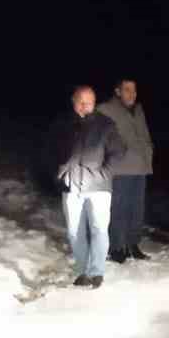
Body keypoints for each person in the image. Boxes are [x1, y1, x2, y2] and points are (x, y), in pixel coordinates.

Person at [53, 85, 124, 288]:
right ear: (73, 102)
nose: (85, 107)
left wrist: (104, 173)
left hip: (99, 187)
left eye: (90, 103)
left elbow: (118, 151)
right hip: (71, 186)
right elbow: (49, 151)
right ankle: (82, 271)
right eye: (81, 102)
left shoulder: (105, 124)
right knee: (74, 231)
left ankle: (96, 272)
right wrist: (58, 172)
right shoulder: (63, 124)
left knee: (99, 229)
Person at [97, 77, 154, 263]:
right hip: (119, 168)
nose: (132, 94)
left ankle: (133, 245)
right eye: (127, 90)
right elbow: (97, 136)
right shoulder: (106, 109)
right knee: (119, 209)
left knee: (136, 209)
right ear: (118, 92)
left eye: (134, 90)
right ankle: (117, 248)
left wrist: (149, 150)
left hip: (141, 167)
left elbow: (144, 135)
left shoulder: (138, 110)